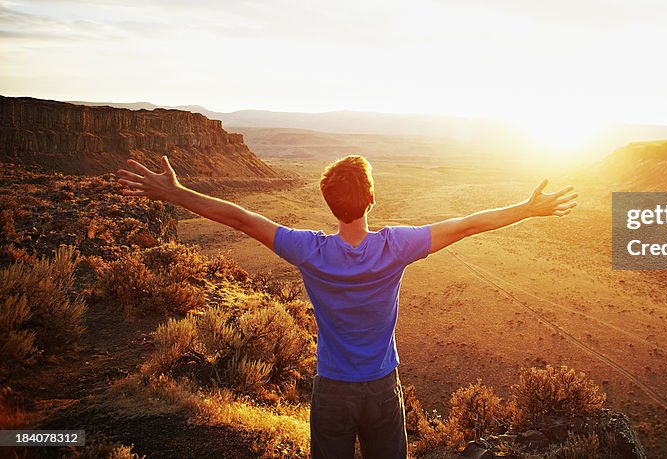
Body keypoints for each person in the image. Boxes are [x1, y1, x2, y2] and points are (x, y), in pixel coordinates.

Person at [117, 154, 578, 459]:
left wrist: (173, 193)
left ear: (329, 204)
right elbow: (467, 225)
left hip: (333, 390)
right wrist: (527, 208)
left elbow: (239, 218)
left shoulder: (309, 251)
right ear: (372, 199)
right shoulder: (395, 246)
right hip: (381, 388)